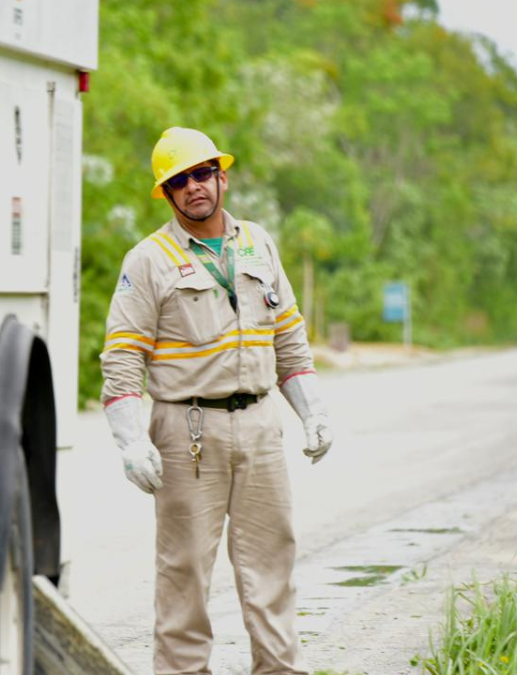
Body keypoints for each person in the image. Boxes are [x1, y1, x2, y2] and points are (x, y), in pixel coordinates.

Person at [100, 126, 334, 675]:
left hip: (259, 425)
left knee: (272, 565)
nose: (193, 187)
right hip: (189, 432)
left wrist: (313, 410)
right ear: (168, 193)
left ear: (221, 177)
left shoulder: (257, 242)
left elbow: (289, 336)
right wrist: (131, 441)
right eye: (179, 181)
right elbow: (122, 357)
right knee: (184, 573)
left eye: (201, 174)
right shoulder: (148, 260)